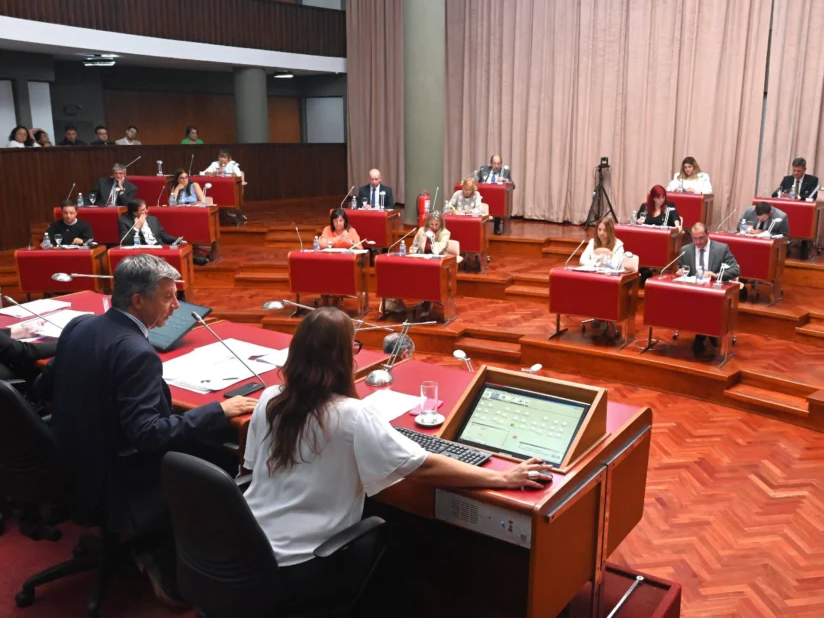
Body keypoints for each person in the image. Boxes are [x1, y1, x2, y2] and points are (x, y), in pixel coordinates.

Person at [241, 307, 550, 613]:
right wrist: (502, 478)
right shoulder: (353, 416)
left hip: (247, 553)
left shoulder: (269, 399)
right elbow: (423, 465)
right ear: (345, 358)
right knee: (401, 539)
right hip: (303, 565)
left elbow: (251, 469)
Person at [32, 254, 258, 604]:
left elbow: (44, 388)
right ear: (137, 300)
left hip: (69, 463)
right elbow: (149, 435)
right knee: (217, 462)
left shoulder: (80, 327)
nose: (175, 306)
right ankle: (161, 553)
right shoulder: (138, 352)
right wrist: (218, 410)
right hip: (114, 479)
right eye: (168, 296)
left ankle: (146, 544)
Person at [675, 223, 741, 355]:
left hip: (714, 292)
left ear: (708, 235)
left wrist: (716, 275)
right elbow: (680, 267)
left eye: (701, 238)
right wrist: (680, 271)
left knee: (705, 305)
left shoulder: (721, 249)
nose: (698, 242)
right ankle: (706, 332)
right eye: (695, 238)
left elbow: (735, 270)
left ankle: (701, 336)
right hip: (693, 291)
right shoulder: (686, 250)